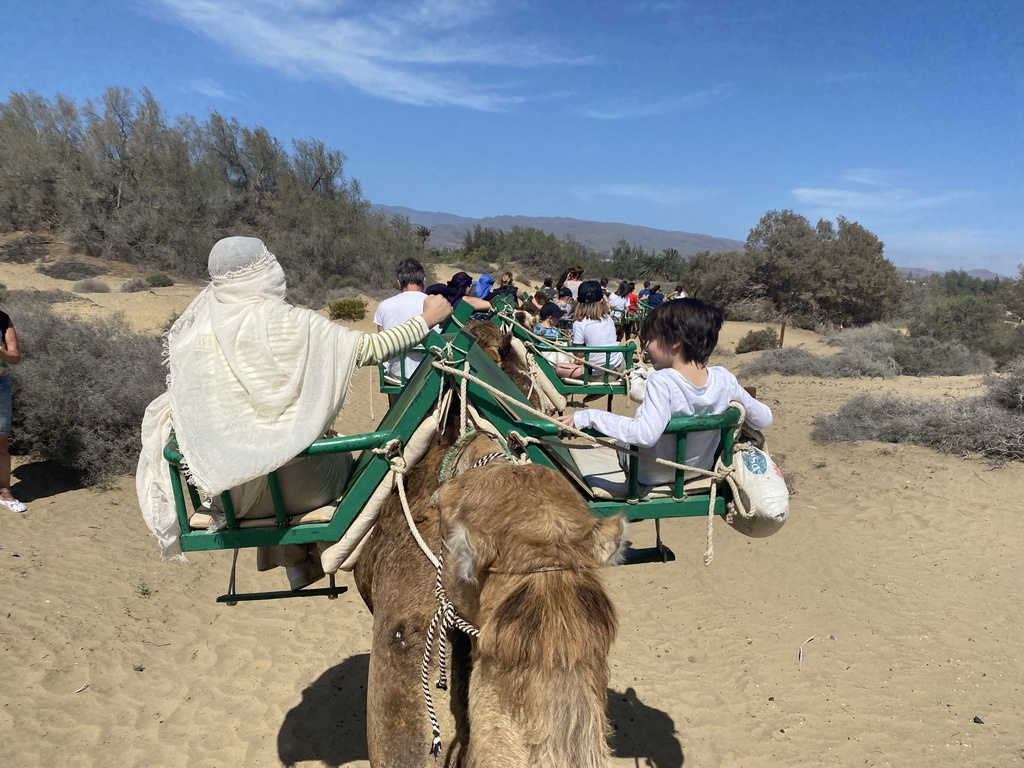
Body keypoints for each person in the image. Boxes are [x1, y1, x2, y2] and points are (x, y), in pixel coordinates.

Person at [137, 236, 453, 563]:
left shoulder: (193, 336)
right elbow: (370, 350)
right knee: (332, 450)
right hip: (304, 491)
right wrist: (426, 319)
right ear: (266, 271)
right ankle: (311, 563)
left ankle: (295, 566)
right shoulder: (290, 323)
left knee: (269, 453)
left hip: (228, 494)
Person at [556, 298, 772, 485]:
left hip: (649, 475)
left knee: (620, 440)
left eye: (652, 339)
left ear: (675, 341)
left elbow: (644, 435)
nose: (647, 347)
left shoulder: (663, 380)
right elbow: (763, 420)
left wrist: (588, 416)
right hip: (697, 470)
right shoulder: (724, 379)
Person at [374, 258, 432, 401]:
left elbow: (383, 342)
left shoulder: (384, 306)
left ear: (399, 282)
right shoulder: (436, 305)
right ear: (423, 280)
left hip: (397, 377)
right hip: (431, 376)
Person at [570, 280, 624, 380]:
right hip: (619, 365)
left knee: (559, 368)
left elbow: (579, 353)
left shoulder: (579, 323)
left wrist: (571, 345)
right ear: (601, 300)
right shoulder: (608, 318)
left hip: (601, 373)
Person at [0, 308, 25, 512]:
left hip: (0, 384)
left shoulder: (2, 319)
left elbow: (15, 357)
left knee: (1, 441)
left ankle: (5, 491)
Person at [426, 271, 491, 311]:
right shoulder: (463, 300)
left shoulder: (447, 295)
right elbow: (490, 306)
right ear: (466, 287)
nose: (471, 288)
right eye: (469, 285)